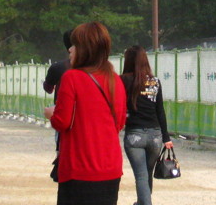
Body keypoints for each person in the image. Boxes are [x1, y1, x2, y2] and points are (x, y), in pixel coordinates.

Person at [44, 22, 127, 205]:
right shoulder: (115, 80)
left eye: (74, 45)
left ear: (85, 49)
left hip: (79, 168)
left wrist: (51, 114)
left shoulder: (72, 77)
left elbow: (62, 122)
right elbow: (119, 123)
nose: (70, 50)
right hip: (110, 167)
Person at [121, 46, 173, 205]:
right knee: (147, 174)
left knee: (141, 175)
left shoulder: (122, 80)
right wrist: (166, 137)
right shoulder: (154, 81)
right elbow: (160, 111)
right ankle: (141, 202)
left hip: (134, 135)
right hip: (155, 136)